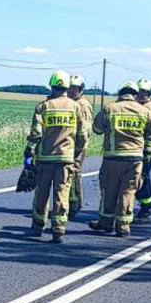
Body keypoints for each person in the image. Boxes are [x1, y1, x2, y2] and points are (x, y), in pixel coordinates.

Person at [24, 70, 85, 244]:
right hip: (65, 159)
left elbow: (36, 133)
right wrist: (76, 153)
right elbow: (83, 134)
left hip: (45, 158)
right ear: (67, 86)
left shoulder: (43, 106)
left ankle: (38, 225)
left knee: (42, 193)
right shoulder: (76, 107)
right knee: (62, 193)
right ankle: (58, 229)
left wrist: (29, 151)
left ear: (52, 85)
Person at [89, 81, 151, 237]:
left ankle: (106, 223)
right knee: (128, 191)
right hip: (134, 159)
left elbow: (97, 129)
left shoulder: (110, 108)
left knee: (109, 190)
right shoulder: (144, 111)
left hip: (113, 157)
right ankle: (124, 226)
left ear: (120, 93)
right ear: (135, 94)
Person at [133, 78, 151, 224]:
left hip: (145, 149)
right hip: (134, 148)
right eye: (140, 91)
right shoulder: (135, 106)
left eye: (145, 92)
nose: (142, 94)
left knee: (143, 177)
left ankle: (146, 207)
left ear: (150, 93)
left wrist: (148, 150)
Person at [66, 74, 92, 218]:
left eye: (74, 88)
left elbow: (85, 130)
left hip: (78, 145)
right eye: (69, 88)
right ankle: (73, 202)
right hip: (70, 144)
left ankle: (74, 204)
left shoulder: (82, 105)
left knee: (74, 171)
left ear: (81, 90)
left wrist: (78, 148)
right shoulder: (71, 103)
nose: (71, 91)